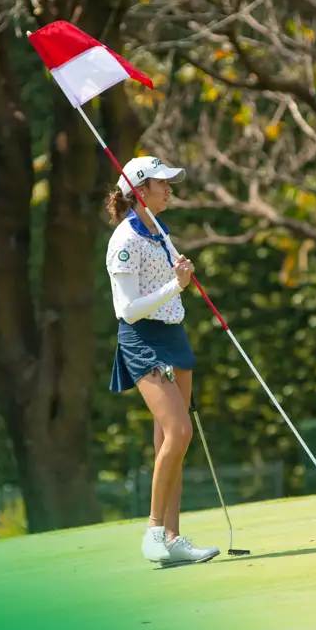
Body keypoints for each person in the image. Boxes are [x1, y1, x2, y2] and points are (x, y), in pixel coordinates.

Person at [104, 155, 221, 568]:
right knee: (180, 431)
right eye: (161, 182)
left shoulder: (159, 230)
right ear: (139, 191)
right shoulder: (124, 241)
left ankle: (173, 540)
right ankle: (154, 531)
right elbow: (128, 309)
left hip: (173, 334)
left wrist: (179, 279)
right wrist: (177, 285)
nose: (169, 188)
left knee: (170, 443)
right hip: (142, 340)